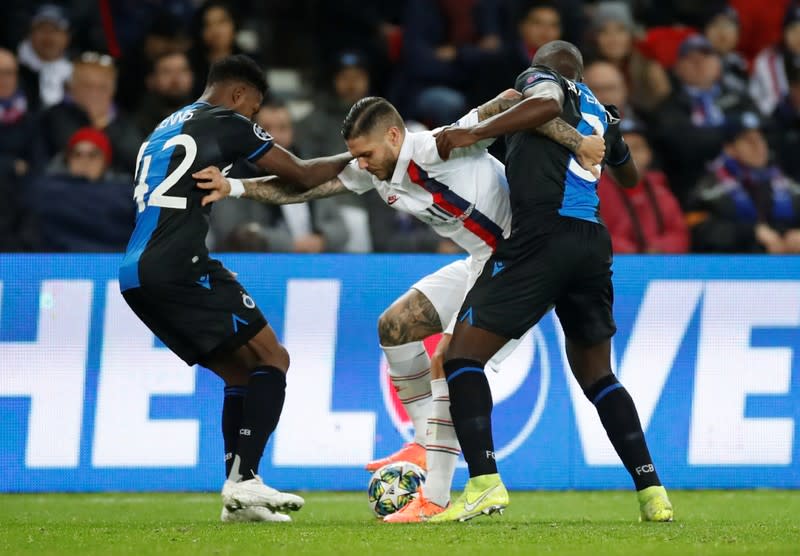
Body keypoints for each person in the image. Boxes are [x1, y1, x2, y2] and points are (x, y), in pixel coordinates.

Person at [194, 94, 605, 522]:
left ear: (394, 136)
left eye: (366, 153)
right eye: (356, 156)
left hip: (521, 267)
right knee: (394, 326)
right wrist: (235, 187)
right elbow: (310, 183)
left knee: (448, 360)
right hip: (479, 262)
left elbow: (512, 100)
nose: (362, 163)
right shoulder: (375, 171)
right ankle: (426, 441)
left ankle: (437, 497)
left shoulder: (440, 145)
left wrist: (576, 141)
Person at [432, 40, 673, 523]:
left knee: (461, 356)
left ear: (545, 69)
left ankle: (483, 483)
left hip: (543, 236)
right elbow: (628, 178)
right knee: (598, 376)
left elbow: (542, 104)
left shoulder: (542, 81)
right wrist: (608, 128)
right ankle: (653, 492)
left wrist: (470, 132)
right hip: (591, 242)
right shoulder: (597, 109)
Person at [118, 54, 352, 523]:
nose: (253, 122)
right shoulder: (226, 120)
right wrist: (361, 155)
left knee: (241, 375)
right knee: (274, 358)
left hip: (135, 274)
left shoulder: (163, 128)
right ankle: (246, 480)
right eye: (254, 111)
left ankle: (239, 498)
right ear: (239, 94)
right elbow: (302, 174)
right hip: (180, 265)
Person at [211, 100, 349, 253]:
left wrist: (321, 239)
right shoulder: (233, 174)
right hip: (259, 267)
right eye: (266, 129)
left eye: (283, 128)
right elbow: (233, 234)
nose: (275, 136)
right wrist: (291, 245)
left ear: (293, 133)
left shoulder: (311, 171)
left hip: (314, 263)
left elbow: (341, 228)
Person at [652, 34, 754, 205]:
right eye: (691, 59)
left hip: (748, 180)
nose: (699, 63)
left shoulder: (739, 98)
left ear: (718, 65)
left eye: (706, 57)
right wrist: (731, 133)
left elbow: (763, 127)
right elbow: (683, 146)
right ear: (677, 68)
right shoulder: (667, 108)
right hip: (698, 190)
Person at [688, 111, 800, 253]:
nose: (759, 146)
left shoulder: (786, 184)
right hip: (734, 270)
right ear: (729, 149)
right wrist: (752, 234)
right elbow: (701, 233)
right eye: (749, 140)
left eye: (761, 139)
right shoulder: (708, 190)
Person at [25, 127, 134, 252]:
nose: (84, 161)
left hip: (113, 261)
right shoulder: (45, 190)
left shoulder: (126, 191)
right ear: (68, 159)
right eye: (77, 154)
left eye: (93, 155)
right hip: (58, 263)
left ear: (105, 161)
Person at [35, 52, 144, 175]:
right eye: (87, 86)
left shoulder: (124, 120)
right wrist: (96, 122)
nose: (94, 93)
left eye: (102, 87)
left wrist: (105, 123)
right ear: (72, 88)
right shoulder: (55, 116)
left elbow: (137, 160)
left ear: (112, 90)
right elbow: (70, 149)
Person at [598, 119, 689, 253]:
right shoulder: (591, 191)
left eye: (636, 148)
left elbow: (679, 234)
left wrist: (658, 248)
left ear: (649, 154)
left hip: (657, 265)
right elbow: (591, 237)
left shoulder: (660, 188)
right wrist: (635, 252)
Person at [16, 4, 72, 110]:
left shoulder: (77, 73)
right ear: (30, 34)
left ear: (67, 37)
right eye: (42, 29)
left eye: (55, 30)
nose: (48, 36)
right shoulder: (12, 69)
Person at [750, 3, 800, 116]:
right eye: (793, 29)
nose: (798, 35)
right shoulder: (769, 58)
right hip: (770, 116)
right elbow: (776, 102)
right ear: (784, 33)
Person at [134, 51, 195, 135]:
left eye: (183, 71)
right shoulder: (136, 126)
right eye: (166, 72)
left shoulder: (206, 121)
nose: (175, 80)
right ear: (151, 81)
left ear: (192, 77)